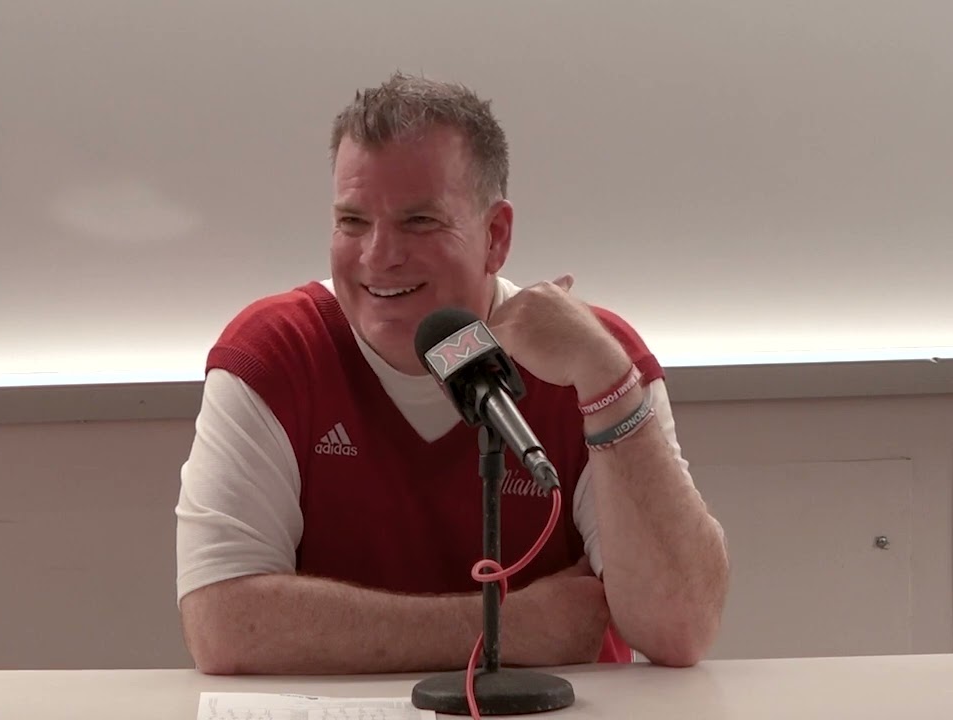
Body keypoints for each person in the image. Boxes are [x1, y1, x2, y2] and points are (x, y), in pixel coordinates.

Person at [174, 72, 729, 676]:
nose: (378, 256)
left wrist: (605, 379)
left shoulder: (591, 357)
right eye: (352, 222)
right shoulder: (276, 353)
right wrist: (504, 630)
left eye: (419, 222)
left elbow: (680, 628)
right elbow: (223, 626)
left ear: (495, 237)